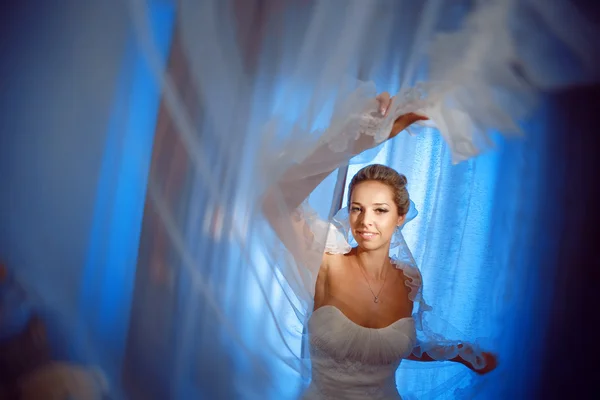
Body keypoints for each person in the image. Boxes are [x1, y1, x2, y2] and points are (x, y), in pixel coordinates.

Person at [262, 92, 497, 399]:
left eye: (380, 210)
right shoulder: (325, 262)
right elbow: (275, 202)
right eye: (357, 208)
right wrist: (366, 138)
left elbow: (392, 348)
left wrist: (459, 353)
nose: (365, 221)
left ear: (400, 217)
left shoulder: (407, 280)